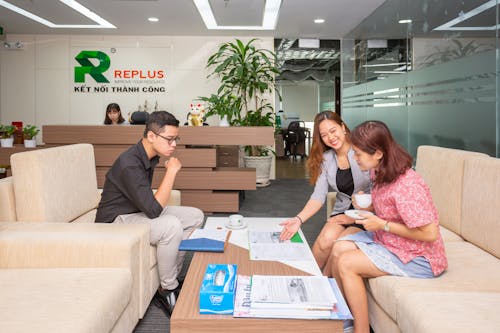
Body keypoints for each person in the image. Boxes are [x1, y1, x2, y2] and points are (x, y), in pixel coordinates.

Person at [330, 121, 447, 333]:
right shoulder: (379, 171)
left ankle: (360, 329)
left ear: (378, 153)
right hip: (390, 242)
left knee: (347, 263)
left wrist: (382, 224)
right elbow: (392, 207)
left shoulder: (407, 184)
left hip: (419, 257)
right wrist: (370, 204)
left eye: (358, 154)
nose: (355, 159)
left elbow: (430, 233)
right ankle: (345, 318)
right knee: (338, 248)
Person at [95, 111, 204, 317]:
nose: (174, 145)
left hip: (135, 211)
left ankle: (171, 275)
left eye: (176, 139)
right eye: (169, 139)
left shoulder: (148, 155)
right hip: (114, 222)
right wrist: (171, 172)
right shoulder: (130, 163)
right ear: (151, 136)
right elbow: (154, 210)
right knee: (171, 225)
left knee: (195, 216)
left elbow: (148, 204)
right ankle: (167, 288)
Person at [279, 111, 371, 275]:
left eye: (333, 130)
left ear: (342, 127)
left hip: (368, 214)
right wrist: (298, 219)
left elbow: (383, 189)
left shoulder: (362, 151)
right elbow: (318, 196)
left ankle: (324, 284)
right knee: (324, 242)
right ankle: (308, 279)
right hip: (342, 211)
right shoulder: (326, 159)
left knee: (339, 245)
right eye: (324, 135)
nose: (331, 137)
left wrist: (358, 213)